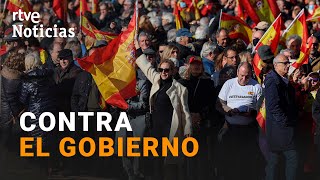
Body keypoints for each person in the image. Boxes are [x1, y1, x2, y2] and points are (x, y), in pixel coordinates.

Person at [135, 54, 192, 180]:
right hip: (155, 128)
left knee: (170, 163)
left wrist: (188, 130)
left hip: (170, 129)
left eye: (167, 70)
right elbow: (146, 67)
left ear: (172, 71)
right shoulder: (156, 80)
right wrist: (137, 47)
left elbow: (185, 112)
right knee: (156, 160)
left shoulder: (180, 89)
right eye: (161, 70)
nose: (163, 73)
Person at [216, 62, 262, 180]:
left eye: (247, 76)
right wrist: (229, 110)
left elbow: (261, 108)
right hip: (230, 128)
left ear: (251, 74)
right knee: (228, 160)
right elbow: (219, 104)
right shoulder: (229, 84)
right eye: (241, 75)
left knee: (246, 161)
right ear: (237, 73)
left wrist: (252, 112)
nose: (244, 78)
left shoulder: (256, 86)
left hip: (248, 129)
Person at [179, 56, 217, 180]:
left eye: (198, 64)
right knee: (188, 157)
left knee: (203, 157)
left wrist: (200, 115)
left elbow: (211, 103)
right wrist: (189, 116)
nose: (196, 66)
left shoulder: (208, 83)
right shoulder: (181, 83)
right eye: (193, 64)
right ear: (188, 66)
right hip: (186, 124)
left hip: (203, 124)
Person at [265, 54, 299, 180]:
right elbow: (273, 106)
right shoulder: (272, 80)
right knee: (291, 158)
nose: (288, 65)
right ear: (275, 65)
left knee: (274, 161)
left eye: (288, 62)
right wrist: (285, 122)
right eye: (285, 63)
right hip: (279, 129)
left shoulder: (282, 79)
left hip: (281, 129)